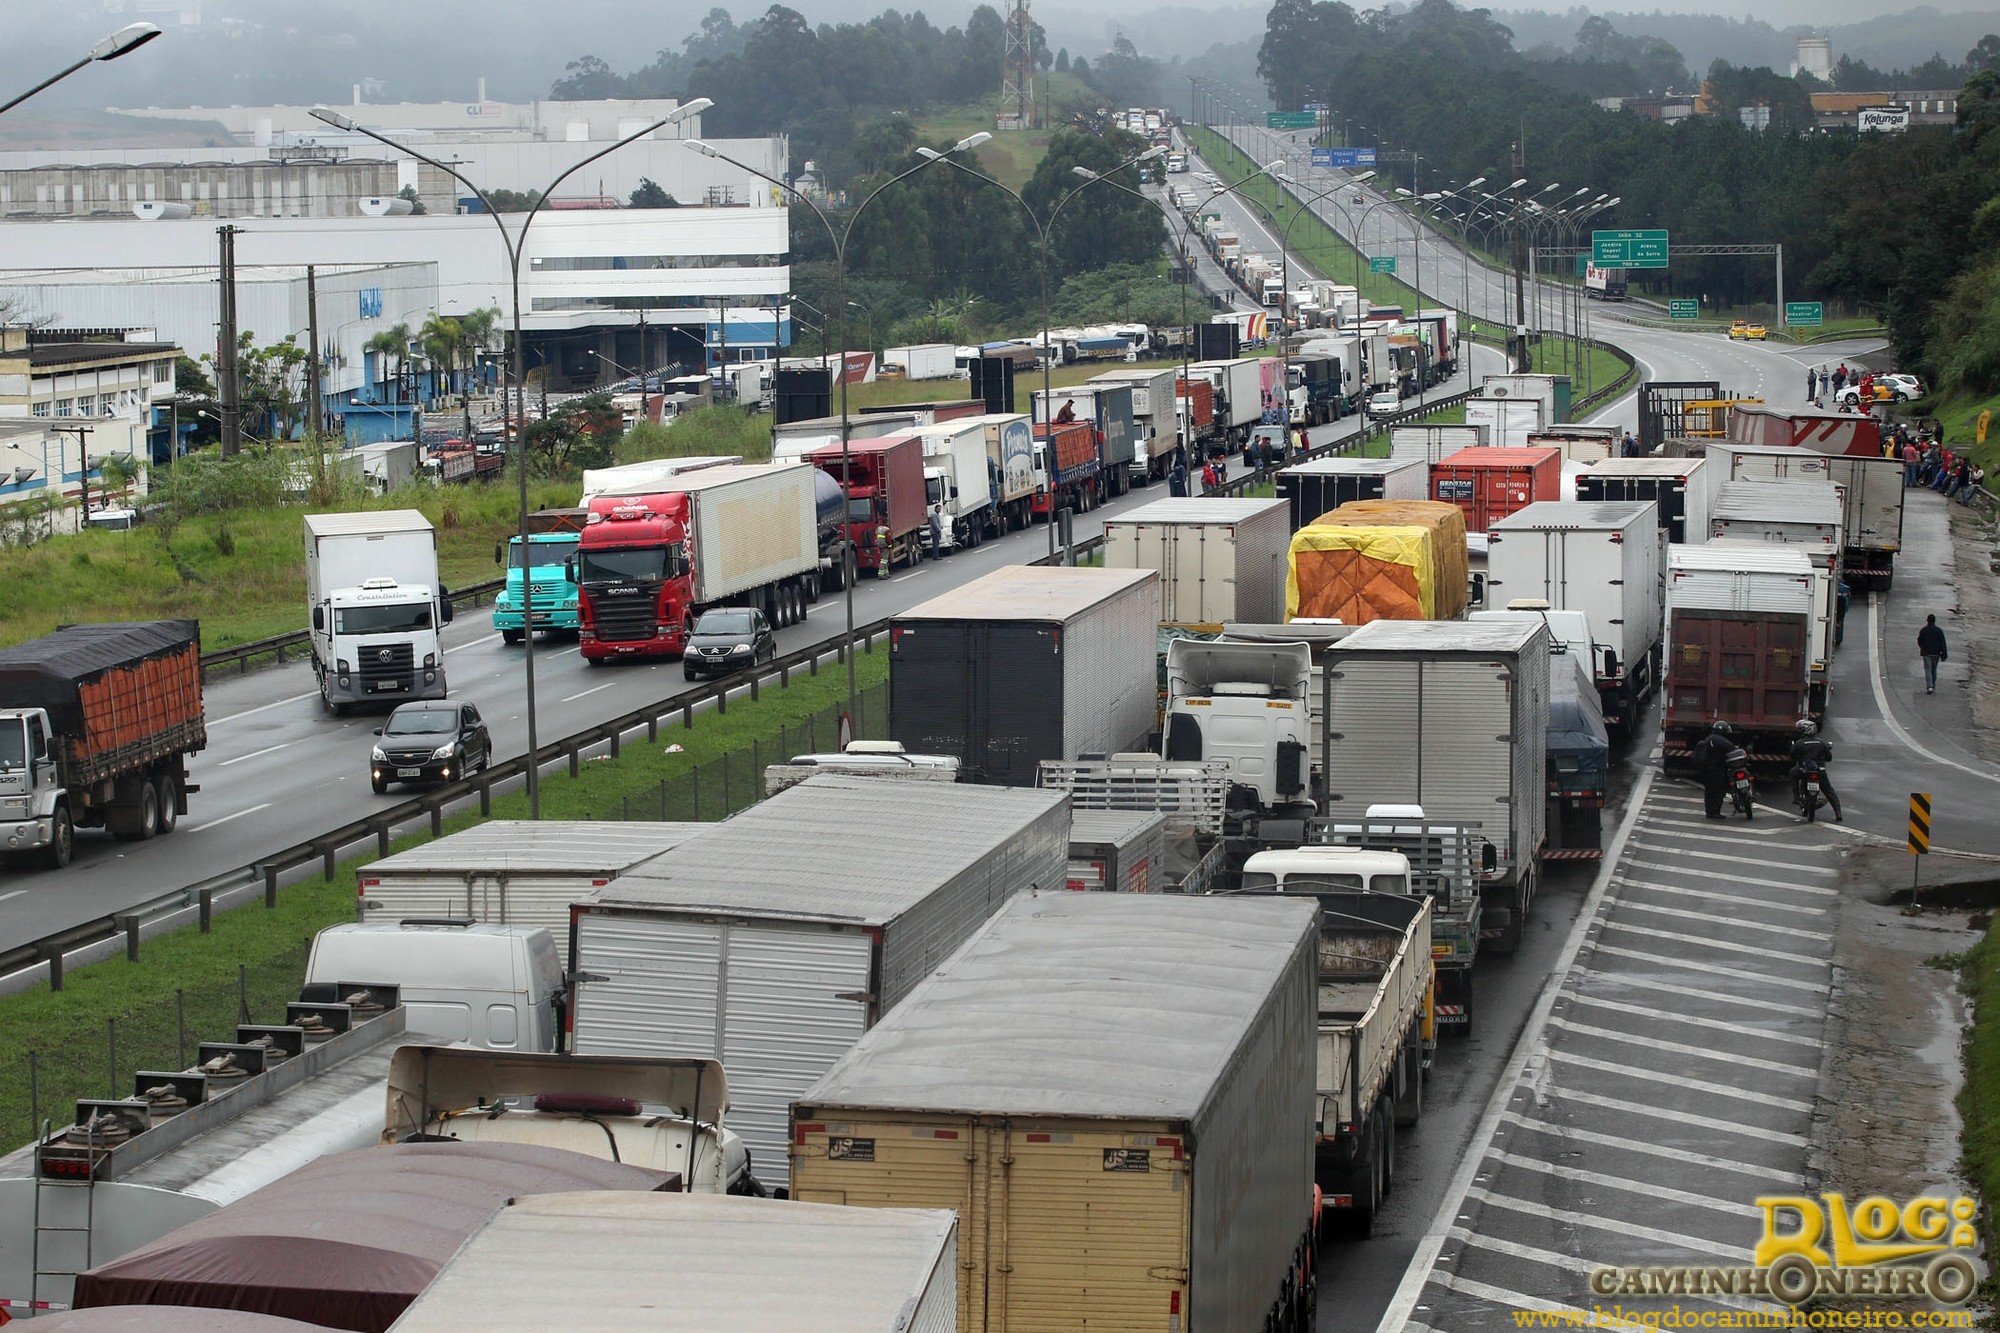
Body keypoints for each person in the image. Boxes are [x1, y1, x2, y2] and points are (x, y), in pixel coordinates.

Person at [1788, 720, 1843, 822]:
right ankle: (1838, 813)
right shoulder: (1822, 743)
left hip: (1803, 771)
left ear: (1805, 730)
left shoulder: (1799, 743)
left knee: (1792, 773)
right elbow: (1829, 758)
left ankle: (1796, 798)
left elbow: (1792, 756)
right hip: (1820, 772)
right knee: (1829, 791)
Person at [1691, 721, 1738, 819]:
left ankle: (1709, 812)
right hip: (1715, 770)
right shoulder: (1719, 739)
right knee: (1719, 791)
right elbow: (1731, 747)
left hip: (1706, 770)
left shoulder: (1709, 738)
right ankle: (1715, 811)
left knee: (1709, 791)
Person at [1918, 614, 1948, 694]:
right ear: (1934, 621)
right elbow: (1942, 643)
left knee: (1928, 670)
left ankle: (1929, 686)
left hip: (1926, 653)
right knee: (1933, 670)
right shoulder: (1939, 631)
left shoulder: (1924, 630)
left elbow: (1920, 641)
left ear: (1927, 620)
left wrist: (1923, 647)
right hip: (1936, 653)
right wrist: (1944, 654)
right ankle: (1933, 685)